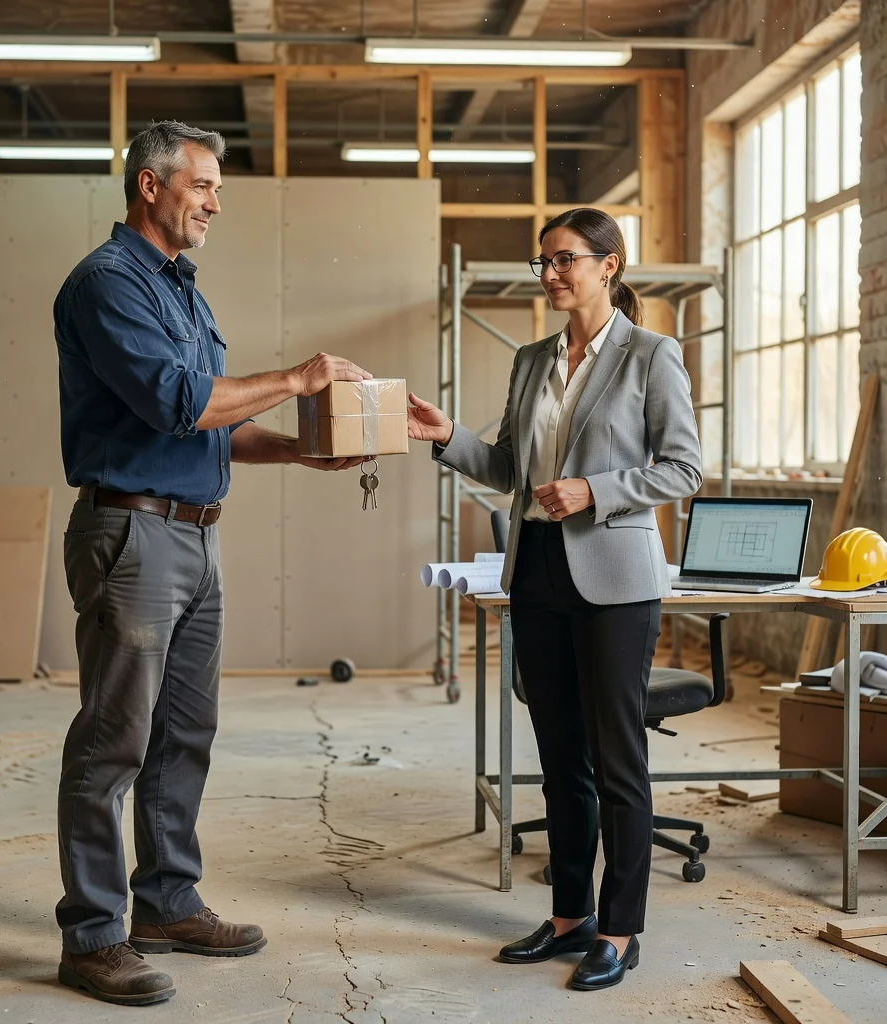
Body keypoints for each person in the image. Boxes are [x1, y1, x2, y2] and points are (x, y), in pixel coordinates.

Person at [52, 120, 370, 1007]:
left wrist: (300, 452)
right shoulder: (107, 285)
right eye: (203, 185)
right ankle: (92, 936)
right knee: (114, 739)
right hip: (133, 535)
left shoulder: (182, 292)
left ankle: (164, 902)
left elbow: (216, 420)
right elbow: (174, 401)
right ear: (151, 186)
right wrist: (301, 379)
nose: (216, 202)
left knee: (183, 731)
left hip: (195, 533)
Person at [408, 208, 702, 991]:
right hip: (535, 569)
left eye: (564, 260)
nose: (549, 275)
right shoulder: (533, 358)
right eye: (542, 263)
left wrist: (595, 490)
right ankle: (570, 915)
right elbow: (507, 465)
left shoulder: (651, 355)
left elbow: (681, 470)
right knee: (558, 759)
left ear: (610, 265)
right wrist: (444, 437)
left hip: (615, 581)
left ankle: (621, 928)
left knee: (617, 760)